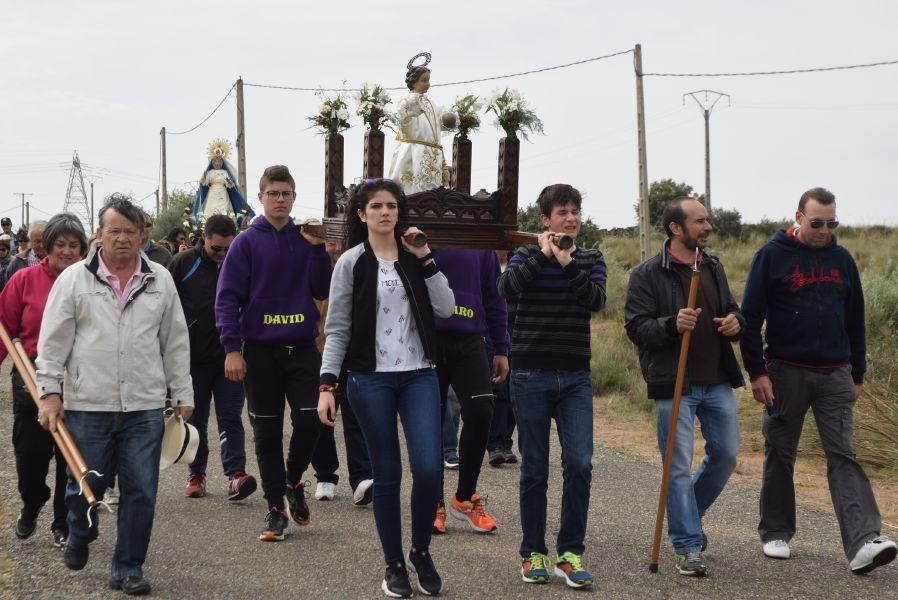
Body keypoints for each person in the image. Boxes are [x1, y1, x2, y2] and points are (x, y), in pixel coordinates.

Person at [35, 196, 193, 595]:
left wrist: (182, 390)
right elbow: (52, 342)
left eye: (130, 231)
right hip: (89, 403)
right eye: (114, 230)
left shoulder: (160, 279)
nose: (122, 239)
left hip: (143, 403)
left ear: (143, 236)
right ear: (99, 234)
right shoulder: (75, 279)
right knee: (84, 484)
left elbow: (174, 339)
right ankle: (79, 532)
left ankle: (128, 567)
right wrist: (49, 392)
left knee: (141, 489)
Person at [740, 187, 897, 574]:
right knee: (781, 452)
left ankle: (864, 542)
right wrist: (757, 372)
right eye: (817, 223)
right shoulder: (772, 256)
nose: (825, 230)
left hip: (835, 374)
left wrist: (856, 372)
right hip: (784, 371)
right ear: (798, 217)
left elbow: (855, 319)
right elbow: (749, 317)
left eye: (832, 223)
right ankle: (775, 531)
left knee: (843, 455)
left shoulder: (842, 260)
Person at [317, 178, 454, 598]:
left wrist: (426, 256)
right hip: (369, 379)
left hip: (419, 374)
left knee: (429, 468)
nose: (384, 212)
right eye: (375, 206)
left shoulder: (416, 257)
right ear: (362, 214)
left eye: (391, 205)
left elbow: (446, 307)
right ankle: (393, 563)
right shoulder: (351, 263)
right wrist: (327, 383)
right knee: (388, 474)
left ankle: (420, 551)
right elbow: (337, 327)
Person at [624, 197, 744, 577]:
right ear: (676, 228)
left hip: (717, 379)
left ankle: (686, 513)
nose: (707, 227)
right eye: (700, 221)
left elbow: (732, 306)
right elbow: (636, 328)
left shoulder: (712, 265)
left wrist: (735, 322)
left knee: (726, 456)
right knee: (676, 467)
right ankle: (688, 545)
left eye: (708, 220)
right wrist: (671, 325)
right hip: (673, 382)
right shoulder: (647, 274)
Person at [497, 184, 606, 589]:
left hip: (575, 375)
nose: (572, 218)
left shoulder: (591, 258)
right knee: (535, 470)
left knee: (579, 463)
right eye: (562, 212)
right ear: (545, 219)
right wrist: (545, 255)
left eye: (576, 211)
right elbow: (506, 289)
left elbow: (595, 300)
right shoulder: (526, 255)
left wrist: (567, 263)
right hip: (530, 375)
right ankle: (533, 553)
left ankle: (570, 553)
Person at [216, 165, 332, 542]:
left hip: (301, 349)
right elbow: (227, 299)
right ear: (261, 197)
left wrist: (317, 250)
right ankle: (273, 509)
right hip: (260, 352)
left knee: (312, 421)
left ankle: (294, 479)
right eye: (273, 193)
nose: (280, 200)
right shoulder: (246, 242)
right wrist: (232, 349)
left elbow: (321, 286)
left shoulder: (305, 239)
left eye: (286, 194)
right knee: (266, 433)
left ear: (294, 198)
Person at [0, 213, 87, 549]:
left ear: (82, 248)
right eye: (60, 244)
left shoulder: (88, 281)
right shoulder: (23, 280)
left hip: (78, 381)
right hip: (30, 377)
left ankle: (62, 522)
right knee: (30, 459)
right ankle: (32, 501)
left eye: (73, 245)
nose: (66, 251)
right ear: (47, 247)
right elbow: (5, 330)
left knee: (72, 460)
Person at [169, 214, 257, 502]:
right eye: (215, 249)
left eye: (227, 249)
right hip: (192, 358)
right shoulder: (183, 264)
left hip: (230, 356)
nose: (221, 255)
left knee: (231, 416)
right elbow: (165, 306)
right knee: (196, 417)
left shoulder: (241, 262)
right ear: (203, 239)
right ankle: (197, 474)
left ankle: (235, 474)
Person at [430, 248, 509, 535]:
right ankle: (433, 503)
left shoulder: (481, 240)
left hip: (471, 339)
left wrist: (501, 346)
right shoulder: (424, 227)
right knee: (429, 420)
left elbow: (494, 294)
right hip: (428, 338)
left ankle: (464, 497)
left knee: (481, 411)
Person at [388, 53, 456, 193]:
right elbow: (404, 112)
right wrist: (415, 100)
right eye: (424, 80)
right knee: (412, 190)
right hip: (413, 152)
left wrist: (448, 119)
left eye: (428, 80)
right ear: (413, 82)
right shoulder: (407, 100)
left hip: (432, 153)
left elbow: (437, 122)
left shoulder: (430, 103)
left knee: (432, 191)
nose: (428, 84)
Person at [194, 139, 253, 221]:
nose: (217, 163)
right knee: (210, 211)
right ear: (212, 162)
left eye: (219, 161)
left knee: (224, 211)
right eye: (215, 161)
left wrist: (229, 182)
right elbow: (204, 183)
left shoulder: (225, 172)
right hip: (212, 193)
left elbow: (230, 186)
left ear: (222, 162)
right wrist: (204, 177)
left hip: (223, 192)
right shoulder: (209, 172)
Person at [6, 220, 47, 284]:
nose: (42, 245)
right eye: (37, 241)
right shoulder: (16, 263)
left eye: (45, 240)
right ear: (30, 240)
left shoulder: (58, 261)